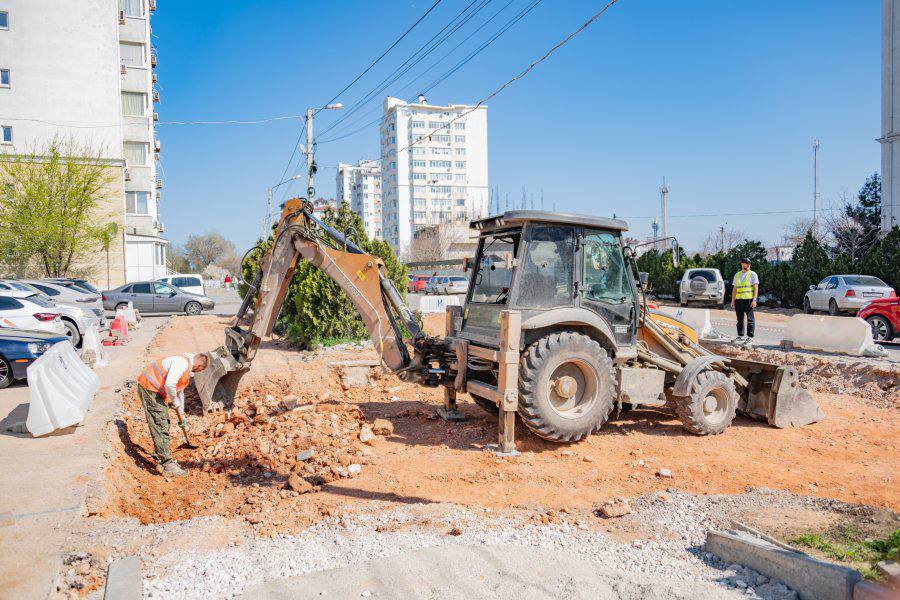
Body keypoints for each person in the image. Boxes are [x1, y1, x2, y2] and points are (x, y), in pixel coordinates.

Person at [136, 353, 209, 477]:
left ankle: (160, 453)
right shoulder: (182, 364)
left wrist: (182, 417)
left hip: (154, 389)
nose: (197, 373)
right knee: (161, 424)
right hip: (150, 388)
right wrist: (174, 401)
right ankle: (167, 464)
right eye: (199, 370)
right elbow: (170, 385)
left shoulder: (185, 366)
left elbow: (179, 393)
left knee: (163, 422)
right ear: (197, 365)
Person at [731, 258, 759, 346]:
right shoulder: (737, 275)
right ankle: (740, 336)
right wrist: (733, 300)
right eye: (746, 263)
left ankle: (750, 338)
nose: (748, 265)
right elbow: (734, 289)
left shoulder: (752, 274)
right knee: (739, 320)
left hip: (749, 300)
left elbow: (755, 287)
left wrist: (754, 300)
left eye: (749, 263)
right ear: (742, 264)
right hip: (739, 300)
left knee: (750, 319)